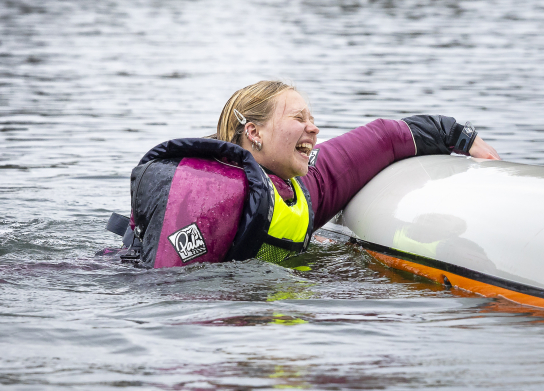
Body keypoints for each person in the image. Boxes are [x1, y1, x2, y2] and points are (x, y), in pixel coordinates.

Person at [118, 80, 498, 268]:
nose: (314, 129)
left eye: (312, 119)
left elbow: (381, 140)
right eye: (299, 118)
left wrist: (456, 135)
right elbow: (166, 290)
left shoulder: (300, 190)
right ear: (254, 132)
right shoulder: (211, 196)